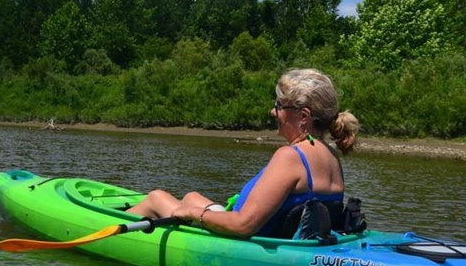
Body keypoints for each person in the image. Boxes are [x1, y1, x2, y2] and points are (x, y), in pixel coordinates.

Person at [127, 68, 359, 238]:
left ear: (304, 117)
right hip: (277, 233)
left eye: (279, 106)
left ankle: (103, 229)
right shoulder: (330, 156)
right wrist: (193, 207)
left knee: (157, 197)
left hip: (243, 239)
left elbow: (243, 225)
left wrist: (192, 214)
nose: (272, 111)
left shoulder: (291, 156)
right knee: (192, 196)